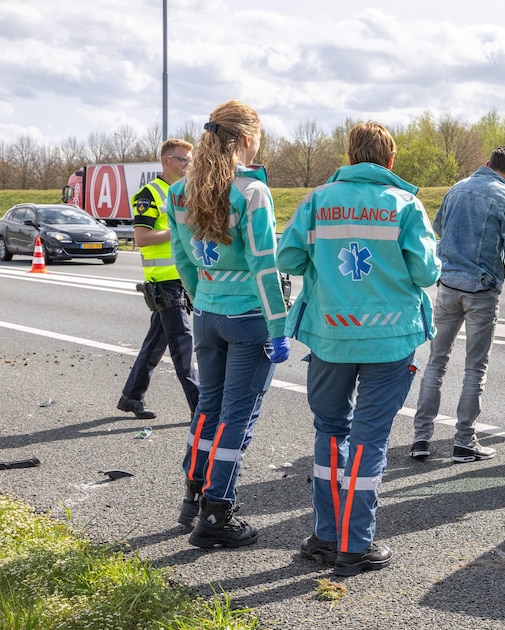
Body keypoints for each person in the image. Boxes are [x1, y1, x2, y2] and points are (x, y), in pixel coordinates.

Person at [278, 121, 440, 576]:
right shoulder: (405, 205)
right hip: (390, 339)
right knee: (370, 438)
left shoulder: (317, 201)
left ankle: (326, 535)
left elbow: (287, 258)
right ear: (390, 161)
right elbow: (427, 274)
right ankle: (355, 544)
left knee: (330, 430)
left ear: (349, 156)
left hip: (329, 334)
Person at [166, 100, 290, 548]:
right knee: (238, 418)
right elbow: (265, 266)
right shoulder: (251, 192)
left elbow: (182, 256)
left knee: (208, 410)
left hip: (208, 314)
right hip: (249, 319)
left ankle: (193, 497)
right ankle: (217, 514)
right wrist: (279, 328)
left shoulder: (180, 190)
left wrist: (204, 302)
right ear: (245, 139)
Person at [409, 146, 505, 464]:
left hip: (447, 285)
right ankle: (464, 442)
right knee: (475, 368)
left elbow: (438, 228)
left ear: (486, 164)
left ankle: (421, 438)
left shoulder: (456, 189)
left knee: (436, 363)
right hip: (481, 291)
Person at [118, 138, 200, 423]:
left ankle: (131, 397)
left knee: (155, 343)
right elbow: (141, 238)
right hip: (165, 283)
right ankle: (201, 406)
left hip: (183, 280)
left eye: (191, 160)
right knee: (184, 345)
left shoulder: (183, 192)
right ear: (167, 161)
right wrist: (178, 228)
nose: (189, 165)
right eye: (184, 160)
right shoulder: (150, 194)